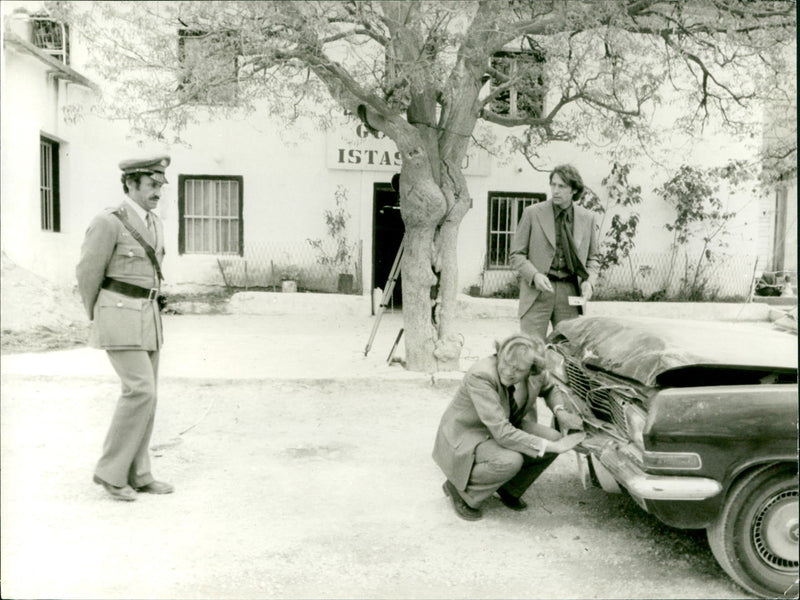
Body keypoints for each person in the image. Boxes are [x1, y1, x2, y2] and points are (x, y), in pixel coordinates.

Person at [76, 155, 173, 501]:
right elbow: (88, 273)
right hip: (118, 315)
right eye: (152, 184)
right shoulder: (109, 221)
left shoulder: (155, 223)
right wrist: (98, 315)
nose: (158, 191)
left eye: (161, 185)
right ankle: (110, 473)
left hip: (148, 317)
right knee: (140, 391)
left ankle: (139, 472)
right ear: (131, 183)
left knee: (150, 395)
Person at [432, 333, 585, 521]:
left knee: (553, 438)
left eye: (518, 369)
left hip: (504, 424)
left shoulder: (535, 372)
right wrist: (553, 447)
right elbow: (502, 433)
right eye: (506, 363)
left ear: (532, 369)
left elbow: (550, 389)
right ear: (500, 353)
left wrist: (560, 412)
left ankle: (509, 487)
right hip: (468, 434)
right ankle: (461, 491)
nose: (508, 372)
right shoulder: (481, 375)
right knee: (511, 460)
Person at [510, 164, 601, 341]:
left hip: (570, 293)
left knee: (567, 353)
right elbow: (516, 254)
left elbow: (593, 258)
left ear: (574, 190)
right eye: (553, 185)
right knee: (530, 351)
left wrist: (589, 282)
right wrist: (534, 275)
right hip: (537, 291)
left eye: (562, 186)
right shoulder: (532, 213)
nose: (556, 191)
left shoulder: (587, 218)